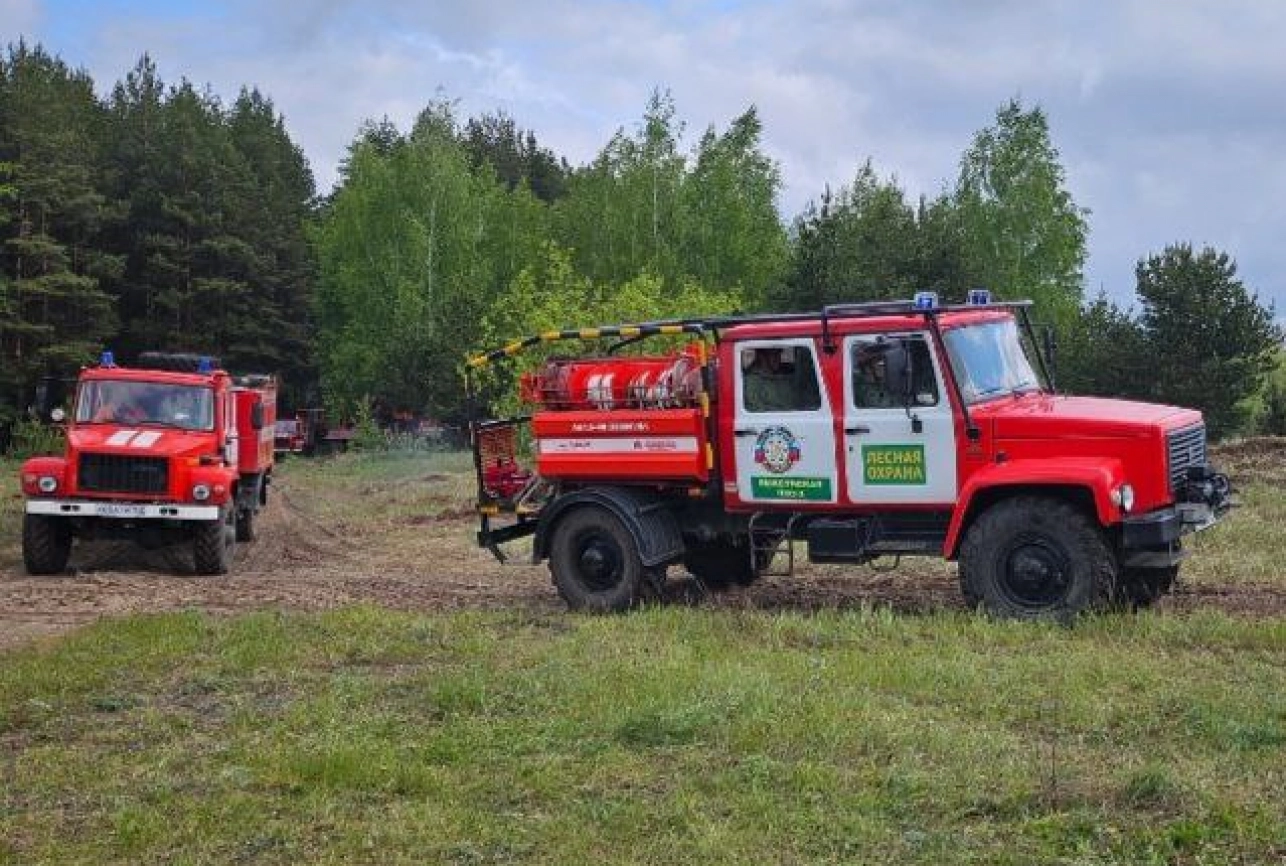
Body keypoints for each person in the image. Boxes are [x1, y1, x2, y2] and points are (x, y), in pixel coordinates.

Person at [743, 348, 797, 412]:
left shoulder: (786, 372)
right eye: (773, 355)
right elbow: (756, 409)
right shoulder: (752, 381)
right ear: (761, 356)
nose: (778, 358)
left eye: (779, 354)